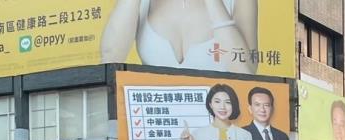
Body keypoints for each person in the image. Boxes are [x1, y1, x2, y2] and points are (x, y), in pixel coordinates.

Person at [101, 0, 258, 74]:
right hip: (158, 119)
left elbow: (246, 71)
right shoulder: (142, 3)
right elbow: (111, 58)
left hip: (222, 123)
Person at [180, 84, 253, 140]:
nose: (222, 107)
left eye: (228, 102)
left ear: (233, 105)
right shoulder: (197, 135)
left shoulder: (245, 135)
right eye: (217, 102)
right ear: (210, 104)